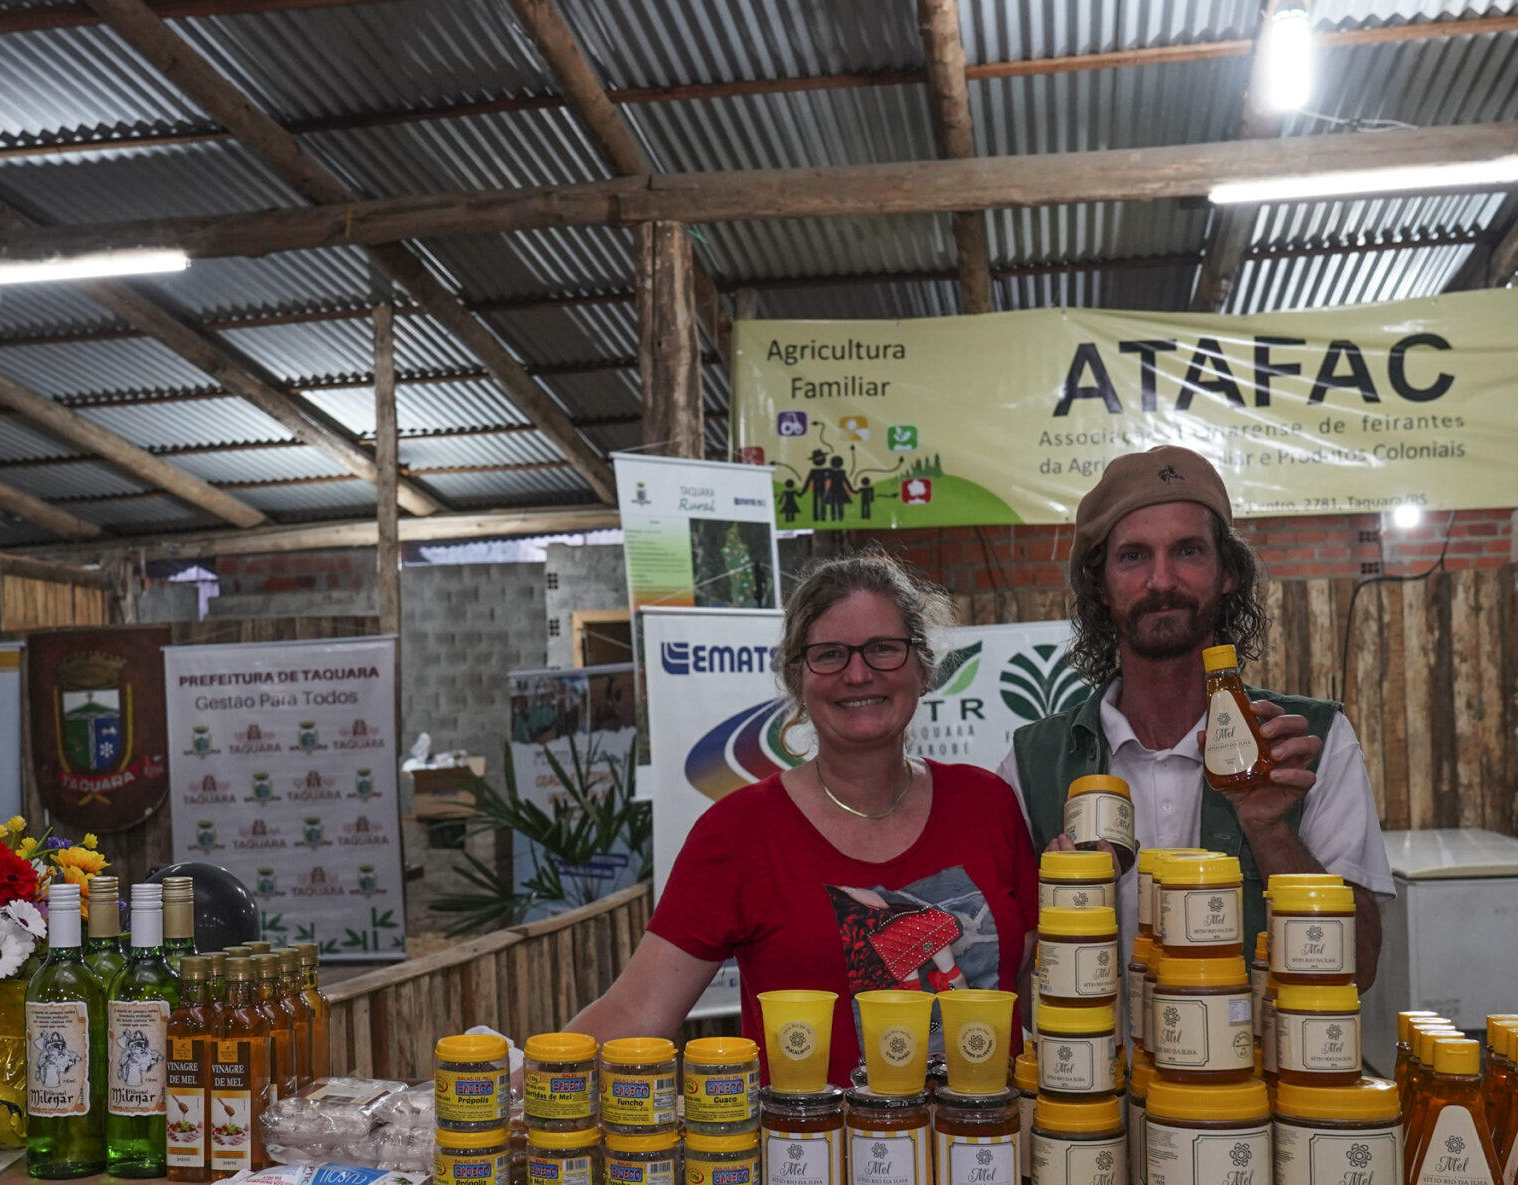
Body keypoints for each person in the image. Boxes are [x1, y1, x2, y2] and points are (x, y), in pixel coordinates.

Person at [569, 553, 1038, 1077]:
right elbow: (636, 1011)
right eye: (829, 655)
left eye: (883, 649)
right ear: (797, 678)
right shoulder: (739, 833)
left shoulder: (987, 803)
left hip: (988, 1128)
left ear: (923, 669)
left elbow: (1033, 986)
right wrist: (525, 1081)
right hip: (808, 1133)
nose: (858, 674)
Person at [1000, 447, 1392, 982]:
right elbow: (1002, 980)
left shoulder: (1311, 744)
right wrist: (1070, 902)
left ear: (1227, 572)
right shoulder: (1032, 764)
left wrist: (1270, 830)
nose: (1161, 580)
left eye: (1187, 551)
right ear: (1100, 585)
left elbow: (1360, 967)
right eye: (1133, 556)